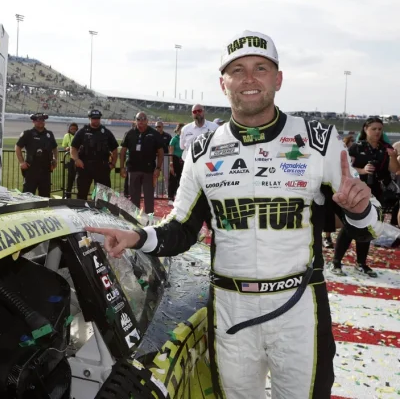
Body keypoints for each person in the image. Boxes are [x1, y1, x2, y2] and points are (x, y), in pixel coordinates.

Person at [87, 30, 380, 399]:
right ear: (223, 83)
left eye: (261, 68)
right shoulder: (202, 150)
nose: (249, 78)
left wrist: (360, 208)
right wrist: (140, 237)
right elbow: (181, 228)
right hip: (230, 307)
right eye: (237, 70)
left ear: (278, 78)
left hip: (299, 305)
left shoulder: (318, 140)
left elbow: (368, 228)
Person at [330, 117, 399, 277]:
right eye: (374, 129)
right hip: (356, 194)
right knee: (349, 228)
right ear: (365, 129)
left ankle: (361, 263)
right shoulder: (356, 147)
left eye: (380, 129)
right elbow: (344, 167)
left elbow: (395, 170)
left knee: (369, 228)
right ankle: (336, 262)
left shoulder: (385, 148)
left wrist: (392, 157)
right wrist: (361, 171)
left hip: (377, 194)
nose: (377, 132)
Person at [120, 112, 164, 214]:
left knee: (149, 197)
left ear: (147, 121)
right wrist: (122, 167)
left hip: (148, 171)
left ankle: (149, 219)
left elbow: (161, 152)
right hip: (133, 169)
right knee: (134, 197)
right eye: (139, 119)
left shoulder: (154, 134)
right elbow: (122, 151)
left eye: (144, 119)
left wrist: (158, 168)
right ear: (135, 120)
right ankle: (134, 218)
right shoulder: (129, 133)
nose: (141, 121)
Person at [70, 110, 118, 200]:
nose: (96, 120)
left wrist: (113, 163)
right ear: (89, 119)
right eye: (94, 118)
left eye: (98, 118)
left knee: (102, 196)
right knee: (82, 193)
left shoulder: (106, 132)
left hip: (102, 167)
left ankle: (100, 213)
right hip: (85, 166)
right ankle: (82, 212)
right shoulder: (82, 132)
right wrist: (76, 160)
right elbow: (73, 148)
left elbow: (115, 149)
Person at [15, 113, 58, 197]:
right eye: (38, 120)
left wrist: (55, 159)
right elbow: (17, 147)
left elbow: (55, 148)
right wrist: (21, 162)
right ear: (33, 121)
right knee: (28, 195)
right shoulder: (28, 133)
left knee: (45, 196)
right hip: (31, 169)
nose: (41, 122)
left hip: (46, 170)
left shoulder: (49, 134)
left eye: (42, 120)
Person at [168, 123, 185, 205]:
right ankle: (170, 198)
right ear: (177, 130)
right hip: (175, 160)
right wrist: (171, 164)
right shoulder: (174, 139)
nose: (182, 131)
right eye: (180, 130)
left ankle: (179, 198)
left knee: (181, 180)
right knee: (173, 179)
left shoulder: (185, 139)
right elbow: (170, 152)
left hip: (183, 160)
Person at [61, 123, 79, 198]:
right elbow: (64, 146)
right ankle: (68, 195)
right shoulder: (66, 136)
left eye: (75, 129)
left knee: (80, 179)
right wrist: (67, 148)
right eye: (72, 129)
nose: (73, 130)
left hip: (79, 159)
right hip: (71, 159)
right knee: (70, 178)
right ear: (69, 129)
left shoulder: (79, 135)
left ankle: (80, 196)